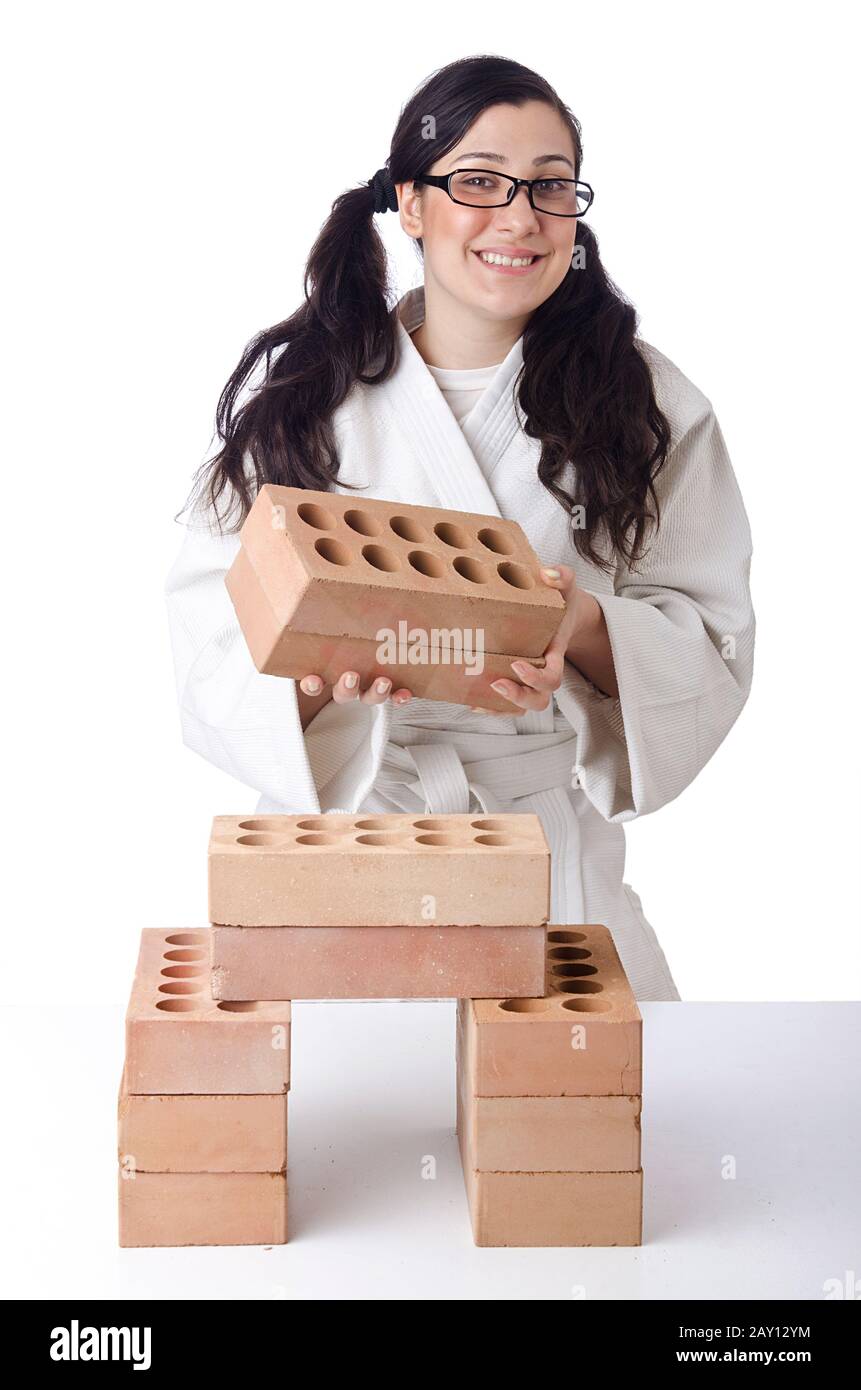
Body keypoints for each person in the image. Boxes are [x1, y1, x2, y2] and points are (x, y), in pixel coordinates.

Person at [165, 55, 755, 1001]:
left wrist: (581, 629)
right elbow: (207, 643)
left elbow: (711, 632)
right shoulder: (303, 401)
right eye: (478, 181)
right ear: (410, 202)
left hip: (539, 853)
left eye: (550, 187)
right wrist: (318, 687)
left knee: (589, 1119)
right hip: (345, 846)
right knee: (337, 1122)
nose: (519, 217)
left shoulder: (644, 402)